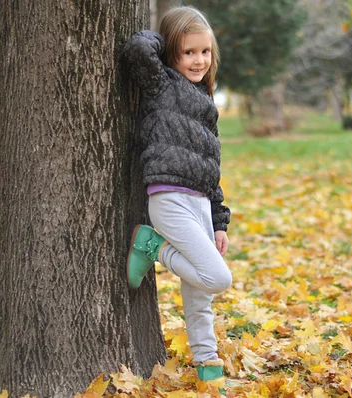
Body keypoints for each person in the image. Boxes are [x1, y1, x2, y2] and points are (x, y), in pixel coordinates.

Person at [121, 6, 232, 383]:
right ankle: (154, 246)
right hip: (169, 199)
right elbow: (137, 50)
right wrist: (163, 39)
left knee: (201, 296)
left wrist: (219, 222)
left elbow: (211, 171)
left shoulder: (206, 104)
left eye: (205, 51)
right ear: (172, 53)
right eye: (188, 52)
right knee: (217, 279)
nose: (198, 60)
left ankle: (208, 365)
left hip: (200, 204)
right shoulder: (161, 83)